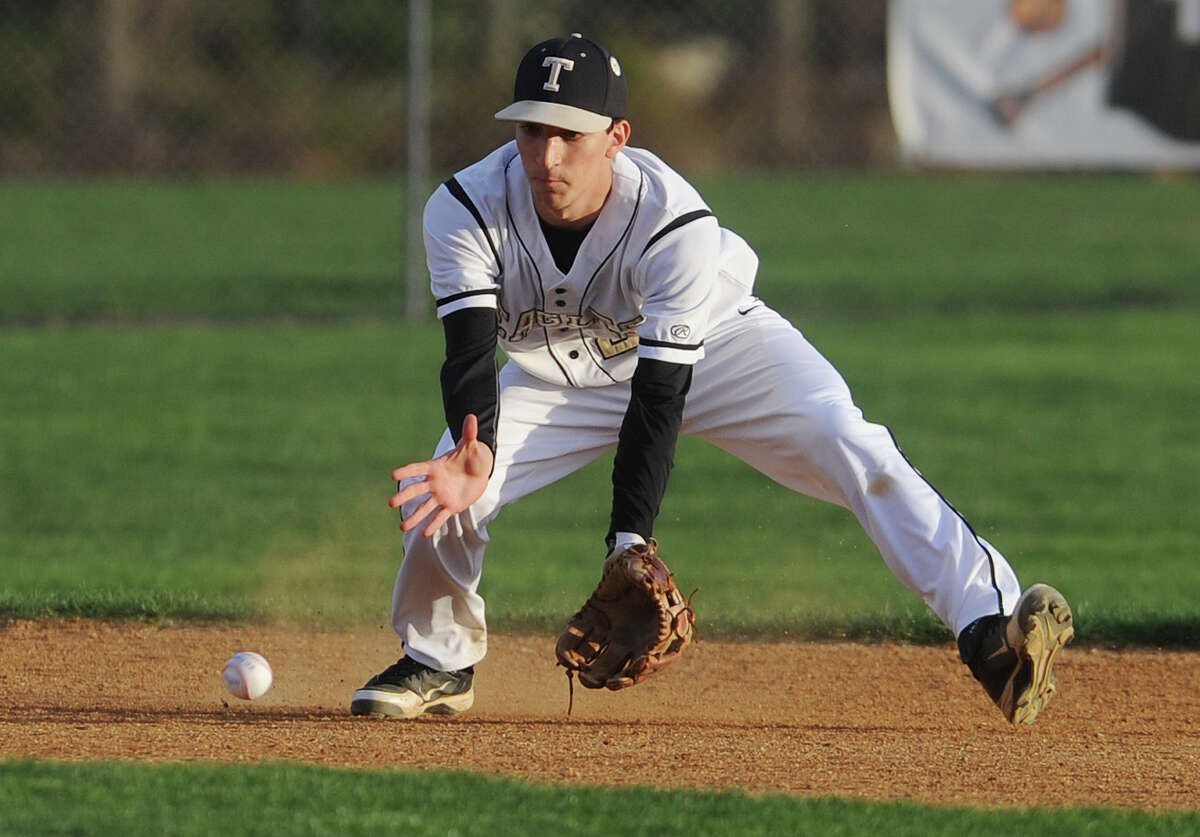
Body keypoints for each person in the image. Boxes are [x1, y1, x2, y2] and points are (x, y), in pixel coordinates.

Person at [350, 34, 1074, 724]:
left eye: (570, 134)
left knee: (846, 439)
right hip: (558, 371)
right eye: (532, 131)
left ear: (617, 137)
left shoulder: (672, 222)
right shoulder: (465, 207)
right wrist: (475, 448)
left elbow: (659, 395)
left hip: (716, 344)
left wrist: (629, 542)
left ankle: (989, 632)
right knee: (447, 486)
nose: (547, 156)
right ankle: (439, 662)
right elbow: (469, 353)